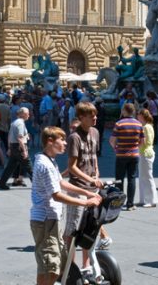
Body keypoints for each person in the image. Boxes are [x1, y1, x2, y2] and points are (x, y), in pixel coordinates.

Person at [30, 126, 101, 285]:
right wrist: (85, 201)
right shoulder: (45, 164)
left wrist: (87, 192)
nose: (65, 143)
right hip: (44, 220)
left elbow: (61, 183)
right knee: (49, 266)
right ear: (50, 141)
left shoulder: (50, 161)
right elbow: (56, 195)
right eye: (61, 140)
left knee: (59, 264)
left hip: (52, 219)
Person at [63, 102, 106, 267]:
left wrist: (96, 172)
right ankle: (69, 267)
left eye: (95, 115)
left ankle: (86, 267)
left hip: (92, 188)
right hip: (78, 188)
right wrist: (89, 179)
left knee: (89, 231)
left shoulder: (95, 132)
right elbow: (71, 167)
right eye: (91, 116)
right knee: (73, 231)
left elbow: (94, 156)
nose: (95, 118)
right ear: (81, 118)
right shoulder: (74, 137)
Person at [109, 103, 143, 211]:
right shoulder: (139, 124)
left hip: (121, 154)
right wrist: (135, 148)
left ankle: (118, 203)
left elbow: (112, 140)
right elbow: (142, 141)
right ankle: (130, 204)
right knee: (131, 179)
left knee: (119, 179)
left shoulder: (119, 124)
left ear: (124, 111)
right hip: (134, 154)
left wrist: (116, 148)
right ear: (133, 111)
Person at [0, 107, 33, 190]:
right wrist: (24, 150)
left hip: (14, 146)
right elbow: (20, 138)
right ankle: (38, 184)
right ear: (22, 114)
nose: (29, 115)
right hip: (19, 146)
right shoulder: (20, 123)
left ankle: (1, 183)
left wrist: (10, 148)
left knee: (10, 166)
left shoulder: (14, 123)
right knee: (28, 166)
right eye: (27, 113)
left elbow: (10, 136)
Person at [136, 108, 158, 208]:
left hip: (146, 153)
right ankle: (144, 198)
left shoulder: (146, 127)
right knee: (142, 176)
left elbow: (146, 142)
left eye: (139, 115)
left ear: (142, 116)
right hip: (144, 152)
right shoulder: (146, 126)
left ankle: (151, 200)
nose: (137, 116)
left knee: (147, 176)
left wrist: (136, 143)